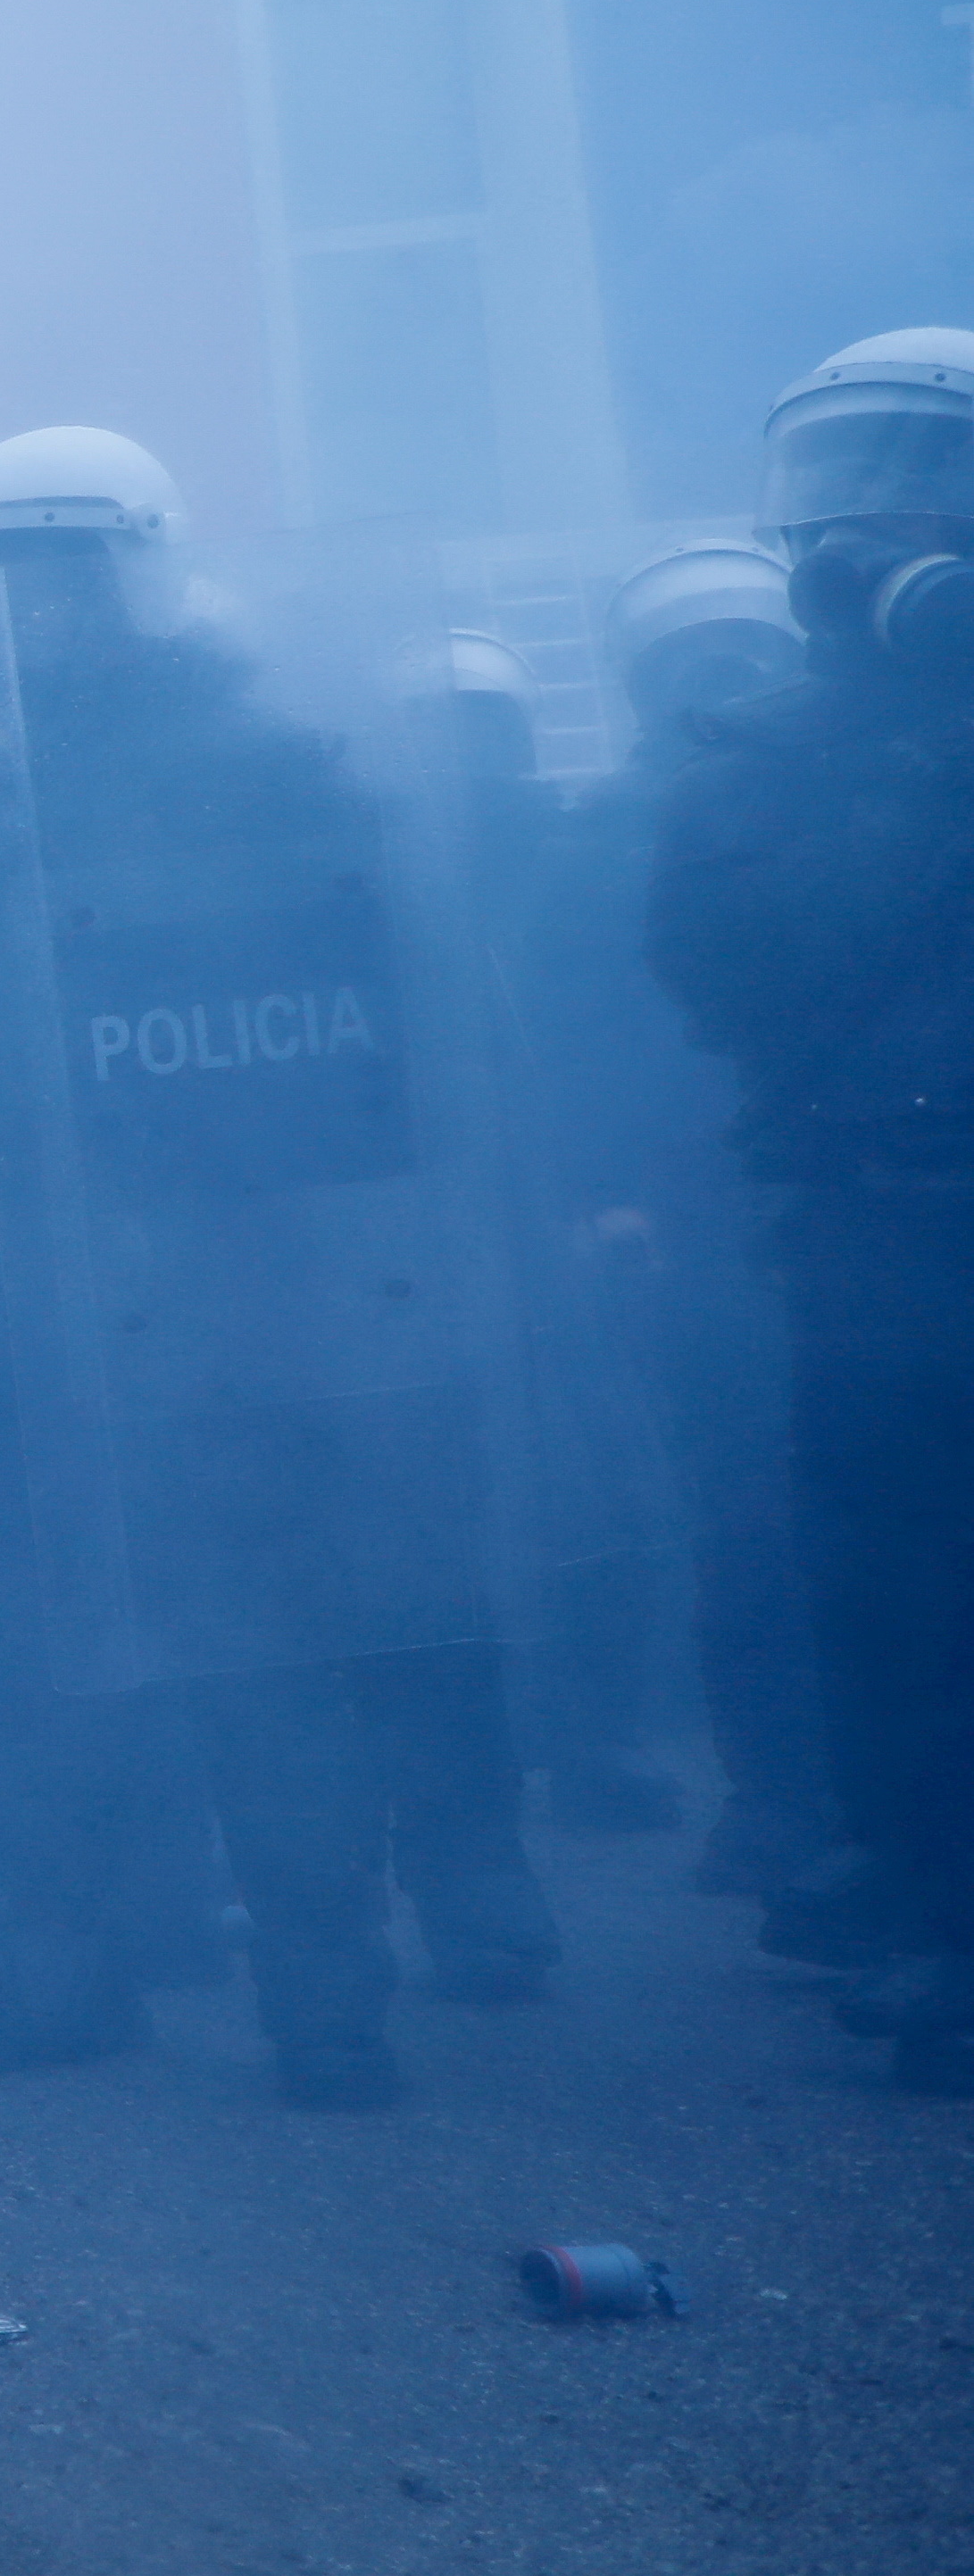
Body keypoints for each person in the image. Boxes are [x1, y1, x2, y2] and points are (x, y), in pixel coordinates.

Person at [0, 428, 518, 2107]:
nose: (16, 616)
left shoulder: (241, 780)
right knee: (72, 1654)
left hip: (225, 1291)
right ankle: (164, 1980)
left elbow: (367, 1056)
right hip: (83, 1292)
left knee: (244, 1650)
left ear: (125, 578)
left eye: (48, 578)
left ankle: (296, 1997)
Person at [647, 328, 974, 2096]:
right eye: (834, 476)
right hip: (867, 1214)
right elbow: (709, 961)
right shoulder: (770, 744)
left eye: (909, 470)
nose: (856, 520)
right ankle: (937, 1909)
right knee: (884, 1586)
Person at [544, 545, 828, 1896]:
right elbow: (585, 1026)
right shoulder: (611, 829)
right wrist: (608, 1187)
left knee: (804, 1510)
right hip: (708, 1202)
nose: (725, 678)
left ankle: (818, 1810)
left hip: (804, 1189)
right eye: (694, 656)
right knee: (752, 1512)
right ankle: (784, 1800)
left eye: (745, 649)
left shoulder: (897, 778)